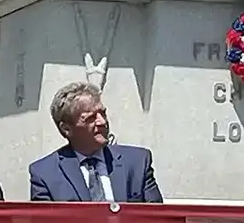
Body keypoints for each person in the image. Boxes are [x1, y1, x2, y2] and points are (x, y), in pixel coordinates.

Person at [29, 82, 162, 202]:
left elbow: (158, 220)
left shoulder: (137, 162)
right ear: (66, 128)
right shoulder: (45, 174)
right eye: (91, 118)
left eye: (102, 113)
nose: (102, 122)